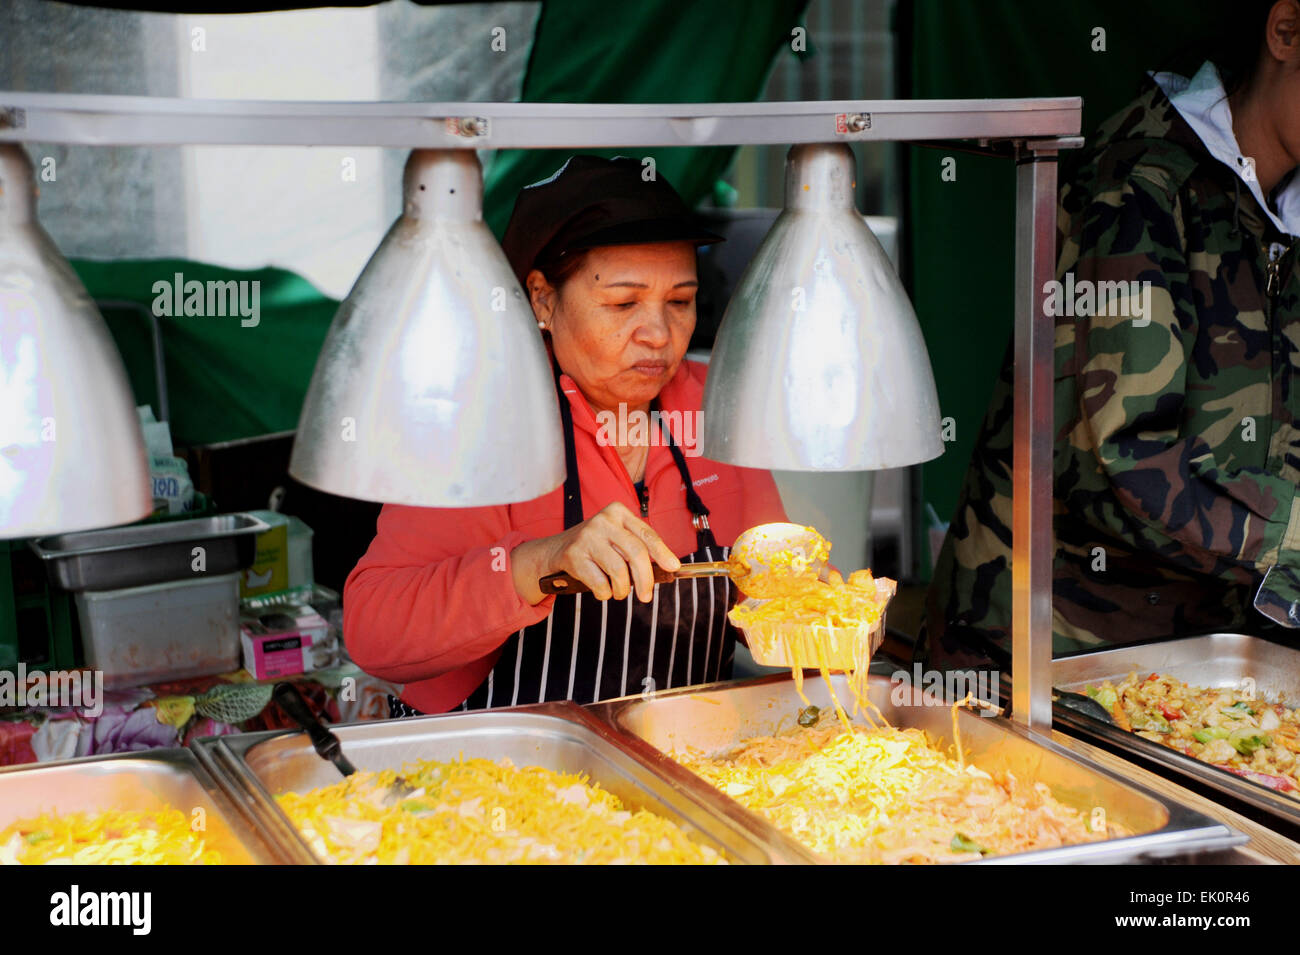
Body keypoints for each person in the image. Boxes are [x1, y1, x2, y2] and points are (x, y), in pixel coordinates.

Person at [916, 0, 1300, 673]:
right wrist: (1288, 533)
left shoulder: (1285, 211)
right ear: (1286, 31)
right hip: (1046, 653)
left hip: (1205, 656)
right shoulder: (1135, 185)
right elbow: (1115, 463)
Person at [344, 155, 788, 715]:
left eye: (679, 301)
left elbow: (767, 587)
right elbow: (375, 631)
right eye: (623, 303)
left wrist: (811, 604)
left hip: (679, 763)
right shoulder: (480, 423)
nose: (658, 334)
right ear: (542, 300)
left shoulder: (717, 405)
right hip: (503, 776)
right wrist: (535, 565)